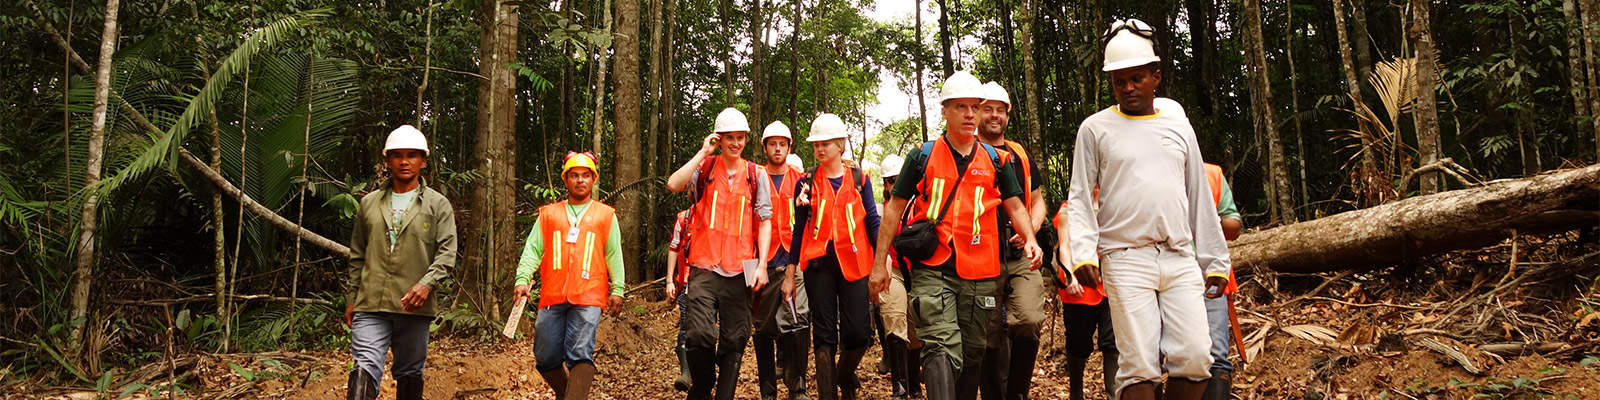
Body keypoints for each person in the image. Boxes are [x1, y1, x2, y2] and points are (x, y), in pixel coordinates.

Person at [1063, 18, 1232, 400]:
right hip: (1124, 256)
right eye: (1118, 81)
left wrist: (1215, 260)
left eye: (1136, 78)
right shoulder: (1095, 129)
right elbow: (1079, 197)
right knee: (1139, 363)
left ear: (1156, 76)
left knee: (1195, 356)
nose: (1127, 88)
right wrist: (1084, 254)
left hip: (1177, 255)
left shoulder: (1179, 126)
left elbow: (1198, 197)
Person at [870, 70, 1044, 400]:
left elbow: (1017, 207)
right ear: (945, 111)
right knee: (939, 347)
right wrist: (880, 266)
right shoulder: (921, 156)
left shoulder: (997, 160)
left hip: (982, 273)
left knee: (972, 353)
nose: (969, 114)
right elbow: (893, 209)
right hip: (934, 267)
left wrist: (1031, 240)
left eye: (974, 107)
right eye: (960, 106)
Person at [665, 107, 774, 400]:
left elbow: (765, 222)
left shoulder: (756, 174)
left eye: (740, 138)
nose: (735, 144)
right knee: (698, 335)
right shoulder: (705, 168)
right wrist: (703, 152)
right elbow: (673, 184)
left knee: (735, 340)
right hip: (704, 266)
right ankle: (702, 384)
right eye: (729, 138)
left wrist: (762, 264)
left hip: (741, 269)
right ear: (720, 138)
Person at [344, 125, 457, 400]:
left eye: (412, 155)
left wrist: (426, 285)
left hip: (414, 305)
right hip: (371, 301)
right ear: (387, 160)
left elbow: (447, 254)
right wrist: (351, 298)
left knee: (409, 372)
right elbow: (357, 253)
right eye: (397, 155)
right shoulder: (369, 203)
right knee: (364, 368)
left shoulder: (438, 205)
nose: (404, 161)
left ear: (423, 161)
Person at [782, 114, 882, 400]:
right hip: (819, 265)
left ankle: (845, 374)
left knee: (858, 334)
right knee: (824, 335)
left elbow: (873, 221)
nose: (820, 149)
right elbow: (798, 230)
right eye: (816, 145)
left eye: (826, 144)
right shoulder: (806, 182)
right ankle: (829, 393)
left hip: (856, 263)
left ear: (840, 145)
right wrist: (790, 274)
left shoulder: (860, 179)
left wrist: (881, 261)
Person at [512, 151, 626, 400]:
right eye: (574, 175)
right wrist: (522, 280)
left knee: (580, 353)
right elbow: (533, 249)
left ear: (593, 179)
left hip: (589, 294)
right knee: (545, 356)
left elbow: (613, 254)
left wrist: (618, 289)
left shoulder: (605, 215)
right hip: (552, 295)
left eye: (586, 175)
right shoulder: (549, 214)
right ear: (565, 180)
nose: (580, 180)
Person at [972, 81, 1049, 400]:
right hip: (980, 255)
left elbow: (1038, 200)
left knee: (1029, 318)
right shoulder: (967, 151)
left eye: (999, 110)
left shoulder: (1019, 153)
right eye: (987, 109)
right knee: (987, 329)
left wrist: (1028, 229)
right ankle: (993, 394)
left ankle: (1018, 392)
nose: (994, 115)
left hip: (1019, 252)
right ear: (977, 113)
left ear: (1008, 114)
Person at [752, 121, 813, 400]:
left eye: (783, 144)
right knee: (762, 327)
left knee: (798, 320)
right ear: (764, 147)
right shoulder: (754, 176)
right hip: (759, 260)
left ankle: (797, 386)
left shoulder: (801, 178)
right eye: (772, 143)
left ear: (790, 147)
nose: (778, 149)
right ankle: (768, 392)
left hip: (793, 258)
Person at [1052, 202, 1118, 400]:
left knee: (1112, 343)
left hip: (1111, 283)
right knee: (1078, 344)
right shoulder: (1069, 207)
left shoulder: (1118, 200)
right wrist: (1068, 275)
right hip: (1080, 286)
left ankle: (1113, 394)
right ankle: (1076, 393)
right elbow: (1065, 244)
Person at [876, 155, 923, 400]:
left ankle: (914, 385)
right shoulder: (883, 211)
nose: (892, 185)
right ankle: (900, 389)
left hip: (918, 272)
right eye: (888, 181)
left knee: (915, 332)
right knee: (894, 321)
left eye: (896, 179)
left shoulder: (921, 206)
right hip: (892, 269)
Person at [1201, 163, 1243, 400]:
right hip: (1164, 272)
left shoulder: (1212, 173)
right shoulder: (1152, 169)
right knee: (1159, 358)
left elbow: (1233, 226)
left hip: (1211, 274)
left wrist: (1208, 218)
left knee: (1217, 354)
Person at [667, 208, 694, 392]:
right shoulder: (684, 218)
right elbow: (674, 247)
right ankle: (686, 372)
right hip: (686, 282)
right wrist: (670, 280)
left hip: (713, 281)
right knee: (686, 324)